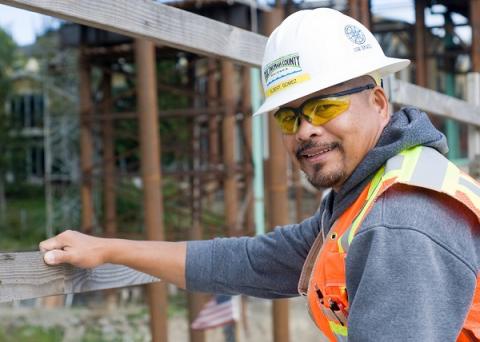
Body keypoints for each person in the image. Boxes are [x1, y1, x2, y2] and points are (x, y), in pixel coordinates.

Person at [40, 8, 480, 342]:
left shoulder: (400, 222)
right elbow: (253, 261)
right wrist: (109, 249)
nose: (306, 129)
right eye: (289, 118)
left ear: (380, 104)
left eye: (325, 107)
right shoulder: (373, 192)